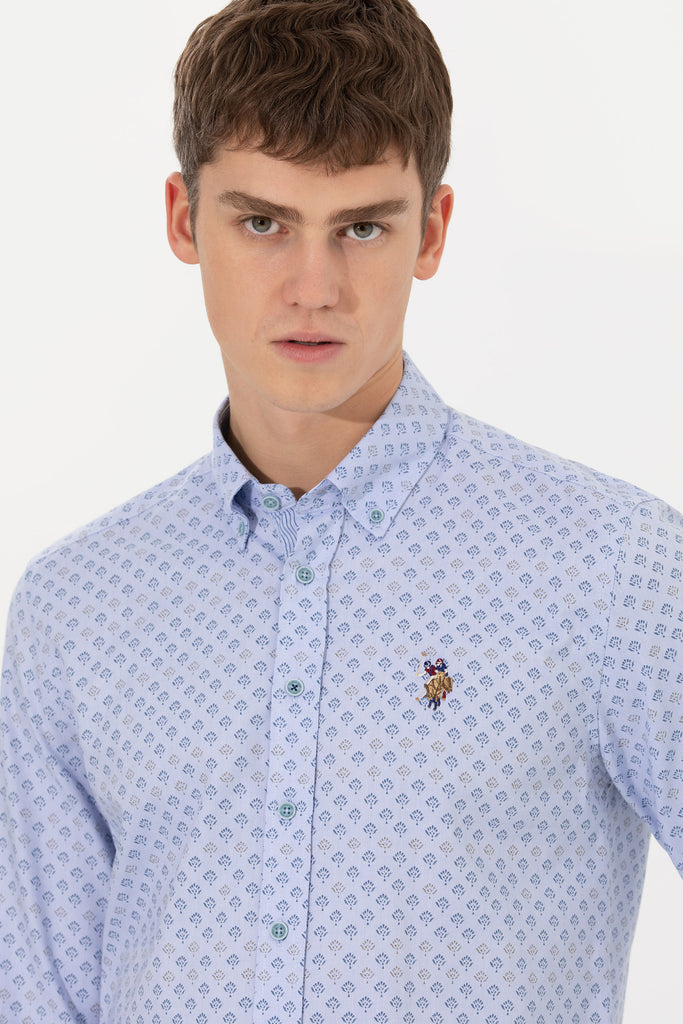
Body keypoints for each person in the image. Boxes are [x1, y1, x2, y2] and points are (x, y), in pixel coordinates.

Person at [1, 0, 681, 1022]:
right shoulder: (76, 607)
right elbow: (38, 996)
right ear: (184, 220)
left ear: (430, 231)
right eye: (262, 223)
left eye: (361, 226)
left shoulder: (608, 564)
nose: (312, 288)